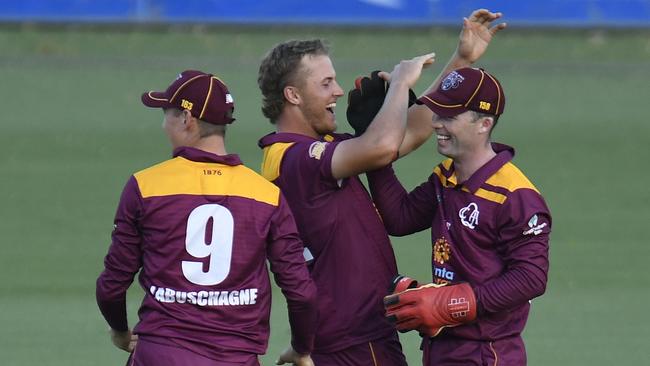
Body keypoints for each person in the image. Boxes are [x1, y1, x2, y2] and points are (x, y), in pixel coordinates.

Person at [256, 9, 505, 365]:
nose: (338, 92)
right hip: (353, 339)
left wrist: (462, 59)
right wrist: (400, 85)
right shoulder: (293, 159)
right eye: (325, 83)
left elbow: (409, 133)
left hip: (353, 335)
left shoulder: (316, 151)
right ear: (293, 95)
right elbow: (382, 147)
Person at [96, 70, 318, 366]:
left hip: (161, 355)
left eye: (167, 114)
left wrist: (120, 331)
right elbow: (301, 294)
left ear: (187, 119)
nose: (164, 125)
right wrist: (301, 348)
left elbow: (111, 285)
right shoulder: (267, 196)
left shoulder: (145, 186)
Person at [369, 67, 552, 365]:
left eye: (449, 116)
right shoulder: (445, 178)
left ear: (484, 123)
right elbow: (400, 218)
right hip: (442, 347)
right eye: (437, 113)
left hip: (485, 353)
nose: (437, 123)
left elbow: (531, 278)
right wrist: (374, 145)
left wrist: (449, 304)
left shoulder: (516, 196)